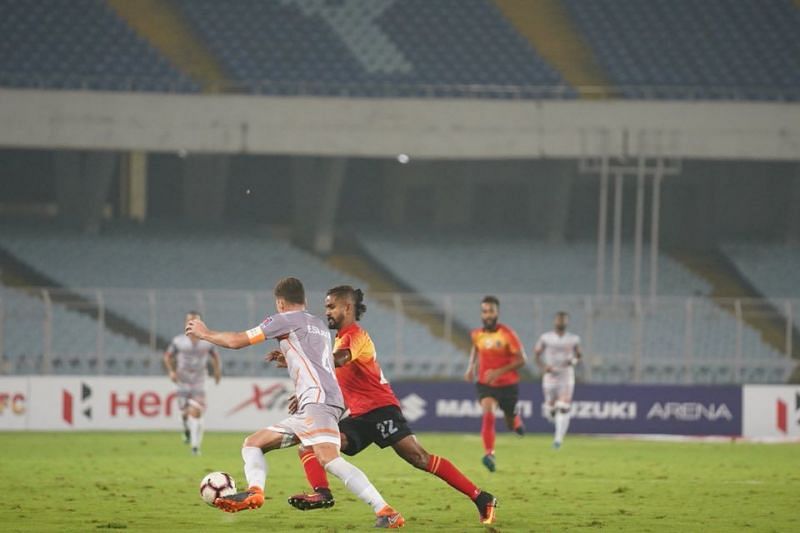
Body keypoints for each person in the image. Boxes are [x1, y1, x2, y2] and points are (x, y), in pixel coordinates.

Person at [184, 277, 404, 528]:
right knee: (253, 444)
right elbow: (318, 362)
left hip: (318, 401)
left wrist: (204, 333)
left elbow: (236, 341)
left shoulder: (282, 320)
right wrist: (290, 363)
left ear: (280, 303)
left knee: (330, 460)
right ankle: (255, 491)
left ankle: (385, 510)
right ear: (305, 301)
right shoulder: (318, 324)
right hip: (318, 400)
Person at [286, 286, 497, 525]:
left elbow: (340, 360)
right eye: (326, 307)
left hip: (381, 409)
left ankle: (481, 497)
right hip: (360, 416)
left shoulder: (356, 335)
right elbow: (339, 382)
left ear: (347, 307)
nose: (327, 312)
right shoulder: (337, 340)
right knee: (309, 444)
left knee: (420, 458)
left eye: (331, 306)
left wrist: (302, 361)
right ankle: (322, 493)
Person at [465, 295, 526, 473]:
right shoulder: (477, 334)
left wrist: (499, 372)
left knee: (508, 422)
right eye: (484, 311)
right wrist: (471, 368)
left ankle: (514, 419)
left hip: (508, 384)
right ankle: (489, 454)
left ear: (497, 313)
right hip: (486, 383)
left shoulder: (507, 334)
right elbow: (475, 348)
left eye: (491, 311)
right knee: (488, 413)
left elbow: (522, 360)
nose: (488, 315)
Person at [163, 310, 220, 456]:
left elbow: (215, 357)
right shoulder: (178, 341)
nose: (192, 324)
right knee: (184, 414)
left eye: (195, 321)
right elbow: (168, 356)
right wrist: (171, 371)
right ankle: (186, 429)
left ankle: (195, 447)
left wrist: (217, 371)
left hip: (199, 382)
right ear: (185, 323)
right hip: (182, 381)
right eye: (189, 321)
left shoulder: (207, 341)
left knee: (196, 412)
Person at [534, 311, 582, 449]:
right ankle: (555, 418)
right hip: (550, 376)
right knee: (549, 411)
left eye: (564, 320)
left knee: (563, 407)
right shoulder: (545, 338)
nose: (561, 322)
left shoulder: (573, 339)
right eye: (559, 320)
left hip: (565, 376)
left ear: (567, 322)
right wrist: (543, 367)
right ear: (555, 321)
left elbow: (578, 355)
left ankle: (558, 440)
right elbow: (536, 355)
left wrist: (573, 361)